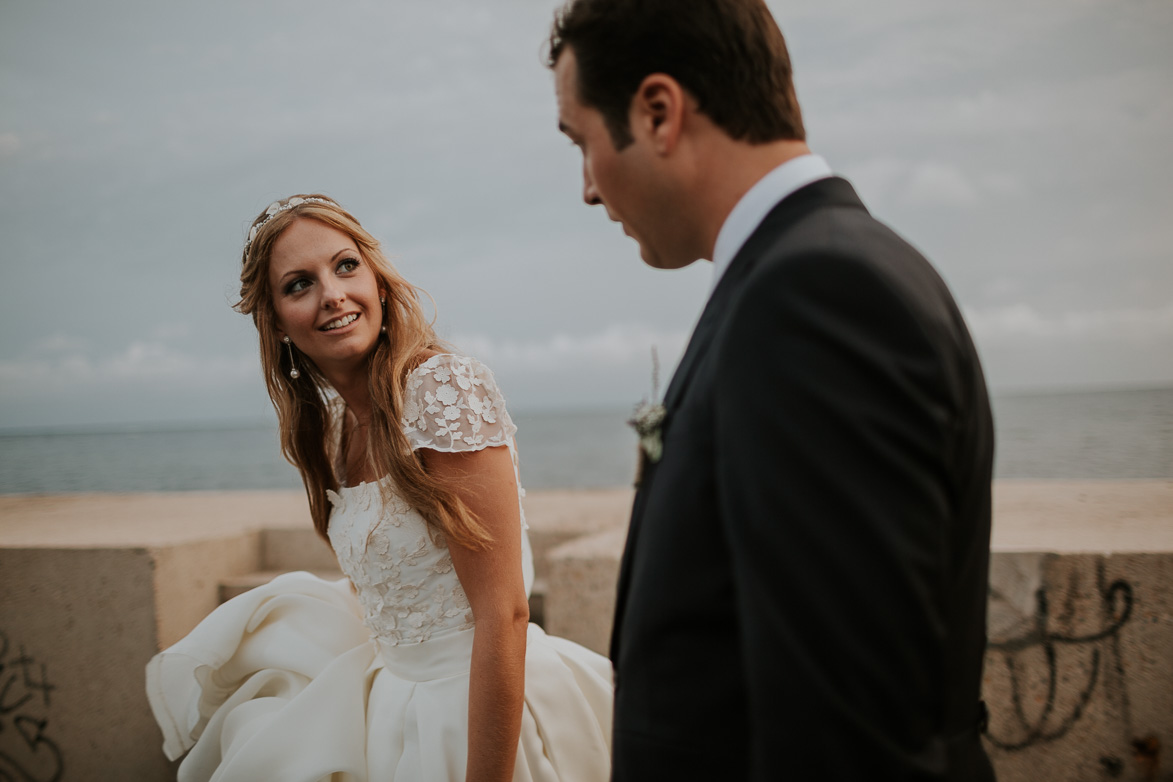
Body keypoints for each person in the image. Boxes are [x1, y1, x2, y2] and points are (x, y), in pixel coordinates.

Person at [547, 1, 996, 779]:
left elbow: (849, 735)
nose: (586, 188)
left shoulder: (815, 297)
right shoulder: (814, 269)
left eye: (581, 142)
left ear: (658, 112)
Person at [145, 195, 613, 782]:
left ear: (380, 283)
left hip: (486, 712)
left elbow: (505, 611)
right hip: (394, 715)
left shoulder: (443, 389)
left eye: (345, 266)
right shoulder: (335, 426)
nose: (332, 295)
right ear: (278, 323)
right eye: (299, 284)